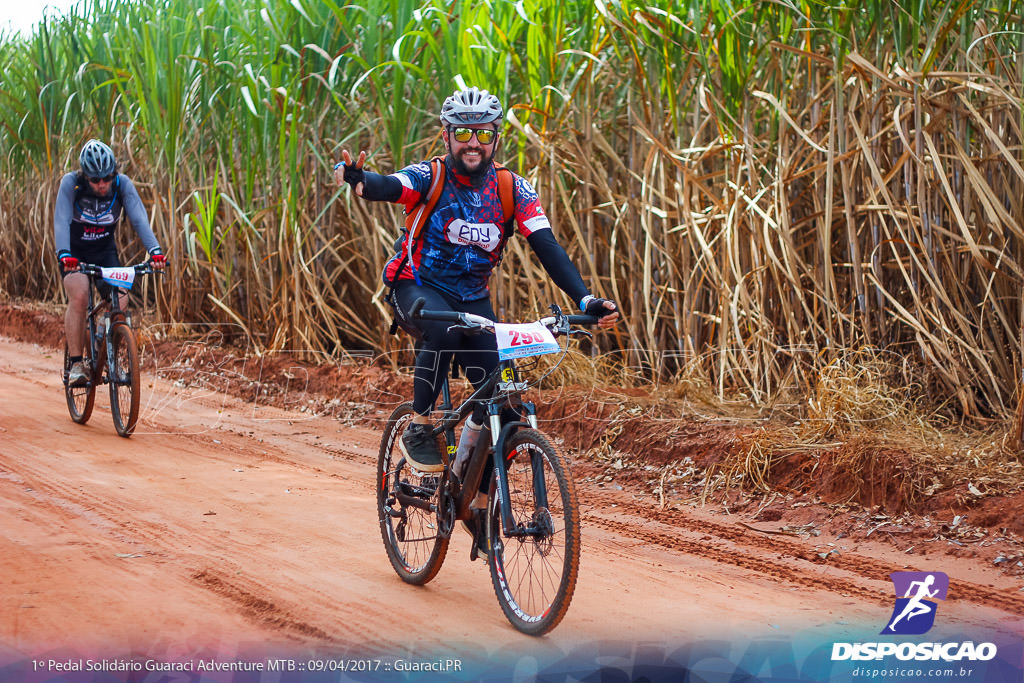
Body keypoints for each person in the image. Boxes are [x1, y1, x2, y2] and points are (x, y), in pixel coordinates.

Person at [335, 87, 619, 476]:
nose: (473, 143)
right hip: (417, 288)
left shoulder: (512, 189)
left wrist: (586, 300)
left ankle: (479, 509)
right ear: (446, 135)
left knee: (503, 407)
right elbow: (392, 185)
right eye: (463, 133)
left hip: (473, 298)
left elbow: (547, 246)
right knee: (446, 328)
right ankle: (419, 426)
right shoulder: (430, 176)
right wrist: (360, 179)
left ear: (496, 137)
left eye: (483, 134)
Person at [54, 139, 166, 386]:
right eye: (95, 180)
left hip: (105, 253)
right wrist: (64, 253)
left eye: (106, 178)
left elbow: (139, 219)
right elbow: (61, 221)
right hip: (75, 254)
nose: (102, 184)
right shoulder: (71, 185)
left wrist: (155, 251)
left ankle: (102, 340)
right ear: (85, 177)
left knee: (121, 300)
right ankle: (76, 364)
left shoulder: (121, 184)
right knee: (80, 296)